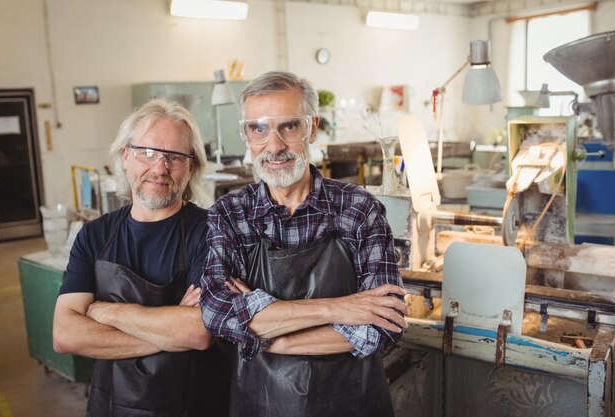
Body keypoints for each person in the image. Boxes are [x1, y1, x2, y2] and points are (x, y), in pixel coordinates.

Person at [199, 71, 409, 417]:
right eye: (259, 128)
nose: (274, 145)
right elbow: (216, 312)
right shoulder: (231, 215)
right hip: (261, 404)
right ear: (245, 136)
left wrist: (268, 335)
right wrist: (339, 308)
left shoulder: (358, 209)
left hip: (352, 404)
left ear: (311, 128)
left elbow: (383, 324)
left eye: (289, 126)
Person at [53, 99, 230, 417]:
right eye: (146, 153)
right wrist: (170, 327)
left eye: (174, 157)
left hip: (194, 404)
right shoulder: (94, 236)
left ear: (190, 168)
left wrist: (104, 312)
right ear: (125, 157)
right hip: (112, 404)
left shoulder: (212, 231)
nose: (159, 168)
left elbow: (197, 332)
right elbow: (65, 335)